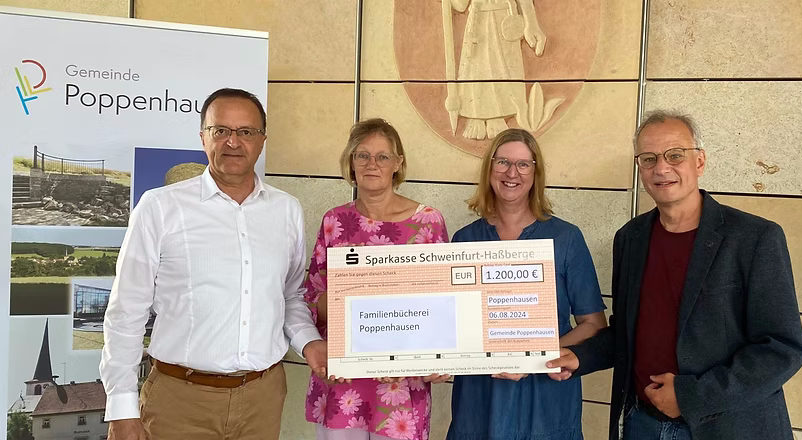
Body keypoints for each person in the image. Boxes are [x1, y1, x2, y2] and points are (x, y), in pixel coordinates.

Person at [548, 111, 802, 440]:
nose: (662, 168)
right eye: (649, 158)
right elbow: (628, 334)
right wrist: (579, 357)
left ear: (699, 162)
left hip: (728, 427)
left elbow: (782, 349)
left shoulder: (755, 238)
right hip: (643, 424)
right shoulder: (630, 239)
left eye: (674, 155)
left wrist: (689, 397)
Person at [100, 88, 327, 440]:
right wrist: (122, 409)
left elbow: (289, 297)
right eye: (221, 130)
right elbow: (126, 312)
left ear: (262, 140)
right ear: (203, 136)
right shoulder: (160, 207)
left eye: (246, 132)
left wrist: (310, 343)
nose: (233, 142)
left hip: (262, 399)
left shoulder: (286, 210)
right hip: (180, 400)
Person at [446, 128, 607, 440]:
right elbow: (451, 324)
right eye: (502, 162)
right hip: (481, 392)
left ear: (536, 172)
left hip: (545, 390)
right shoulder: (463, 240)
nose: (512, 173)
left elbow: (593, 323)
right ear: (489, 169)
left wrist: (534, 357)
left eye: (523, 164)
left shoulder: (566, 238)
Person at [304, 118, 451, 440]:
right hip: (343, 378)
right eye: (362, 155)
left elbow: (444, 303)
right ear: (351, 162)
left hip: (403, 381)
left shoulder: (427, 223)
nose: (372, 164)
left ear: (398, 164)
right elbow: (313, 297)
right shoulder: (334, 220)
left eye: (383, 156)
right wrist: (349, 301)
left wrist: (444, 355)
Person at [445, 0, 546, 139]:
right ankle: (476, 116)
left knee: (505, 67)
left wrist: (531, 23)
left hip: (505, 18)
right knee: (475, 67)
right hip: (477, 20)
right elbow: (461, 5)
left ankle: (498, 117)